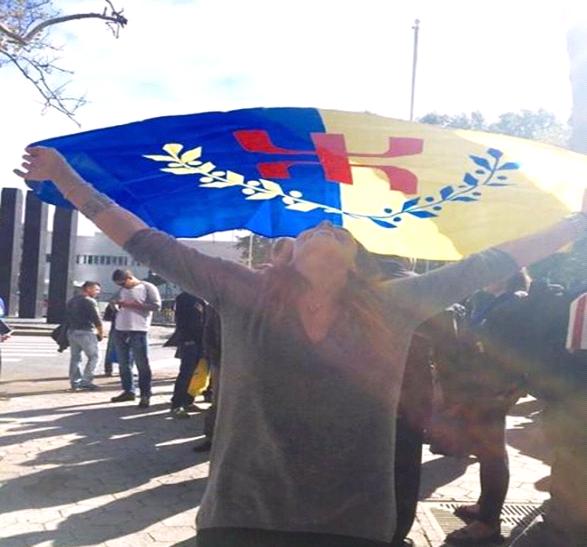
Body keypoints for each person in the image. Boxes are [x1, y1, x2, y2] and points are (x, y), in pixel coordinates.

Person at [14, 146, 587, 547]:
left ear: (356, 261)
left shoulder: (395, 303)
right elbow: (141, 238)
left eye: (338, 230)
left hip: (353, 523)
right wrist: (64, 176)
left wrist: (573, 226)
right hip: (240, 516)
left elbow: (494, 262)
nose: (324, 228)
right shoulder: (244, 294)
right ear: (284, 255)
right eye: (312, 228)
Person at [440, 271, 530, 545]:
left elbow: (512, 349)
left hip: (494, 389)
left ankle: (489, 522)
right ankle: (484, 506)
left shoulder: (515, 302)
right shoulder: (485, 300)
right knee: (484, 449)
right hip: (478, 388)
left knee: (492, 453)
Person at [109, 268, 161, 408]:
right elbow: (113, 300)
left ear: (130, 278)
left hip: (138, 329)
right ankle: (128, 390)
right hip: (120, 329)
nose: (121, 286)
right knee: (123, 364)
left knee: (141, 364)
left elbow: (157, 306)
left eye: (122, 283)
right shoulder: (121, 290)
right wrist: (114, 304)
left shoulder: (147, 287)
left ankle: (145, 394)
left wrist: (133, 305)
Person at [170, 292, 207, 418]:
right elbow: (181, 321)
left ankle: (188, 400)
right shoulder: (184, 298)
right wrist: (186, 339)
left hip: (202, 340)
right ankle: (177, 404)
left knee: (199, 373)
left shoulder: (203, 297)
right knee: (186, 373)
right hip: (190, 340)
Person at [65, 281, 104, 391]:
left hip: (72, 331)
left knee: (75, 358)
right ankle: (86, 380)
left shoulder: (72, 300)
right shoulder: (90, 301)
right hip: (86, 332)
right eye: (96, 289)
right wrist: (101, 333)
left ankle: (75, 381)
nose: (98, 292)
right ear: (88, 289)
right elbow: (97, 319)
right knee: (95, 356)